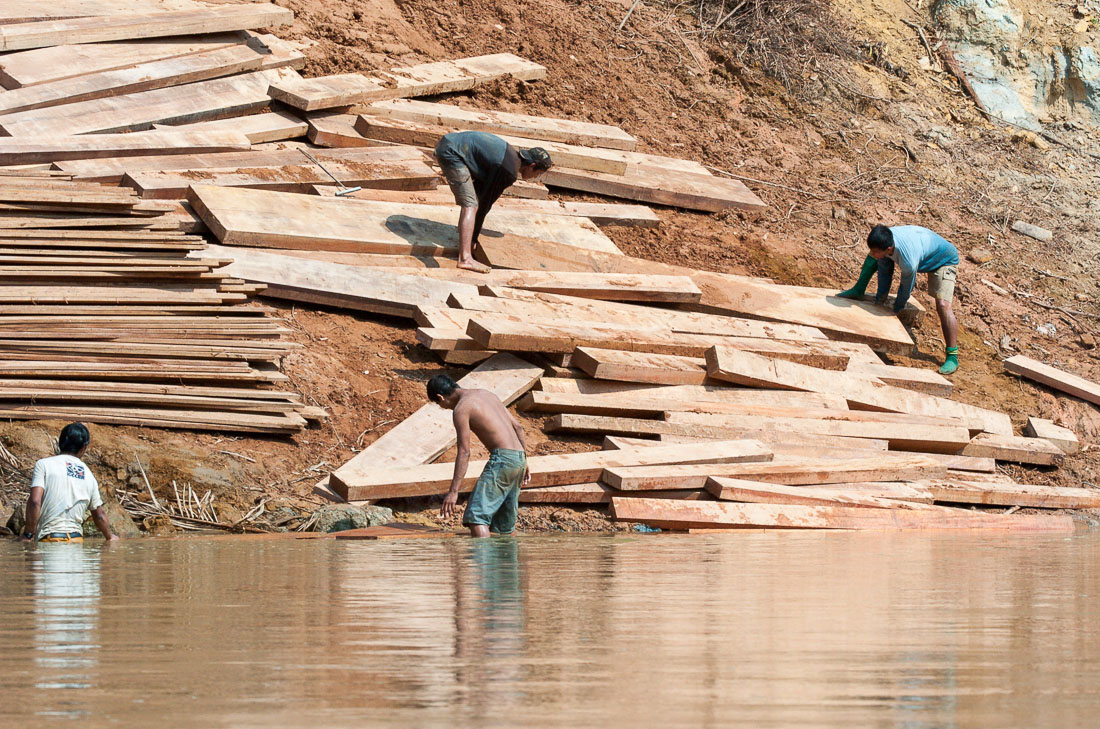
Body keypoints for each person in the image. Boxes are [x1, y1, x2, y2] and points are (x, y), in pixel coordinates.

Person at [838, 224, 961, 374]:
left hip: (943, 260)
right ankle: (858, 290)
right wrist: (879, 301)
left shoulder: (908, 261)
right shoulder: (886, 239)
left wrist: (897, 308)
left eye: (875, 251)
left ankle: (952, 356)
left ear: (889, 249)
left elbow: (906, 288)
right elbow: (884, 274)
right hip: (921, 249)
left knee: (943, 304)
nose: (872, 253)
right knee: (876, 260)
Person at [434, 131, 553, 273]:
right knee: (471, 205)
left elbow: (479, 191)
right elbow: (485, 203)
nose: (535, 177)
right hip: (453, 154)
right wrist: (474, 238)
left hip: (450, 143)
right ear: (532, 166)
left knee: (472, 200)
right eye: (538, 173)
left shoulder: (510, 155)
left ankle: (464, 237)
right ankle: (465, 259)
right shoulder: (508, 171)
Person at [427, 374, 529, 537]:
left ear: (440, 397)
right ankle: (508, 562)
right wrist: (524, 462)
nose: (446, 408)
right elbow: (518, 428)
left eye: (442, 405)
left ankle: (481, 561)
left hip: (502, 460)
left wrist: (453, 491)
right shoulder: (487, 394)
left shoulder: (462, 408)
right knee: (504, 527)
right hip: (519, 458)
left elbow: (464, 451)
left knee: (477, 518)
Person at [20, 423, 117, 543]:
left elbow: (35, 502)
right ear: (84, 448)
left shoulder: (43, 464)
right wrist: (110, 537)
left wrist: (28, 534)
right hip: (76, 540)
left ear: (60, 442)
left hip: (50, 539)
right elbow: (100, 515)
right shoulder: (88, 474)